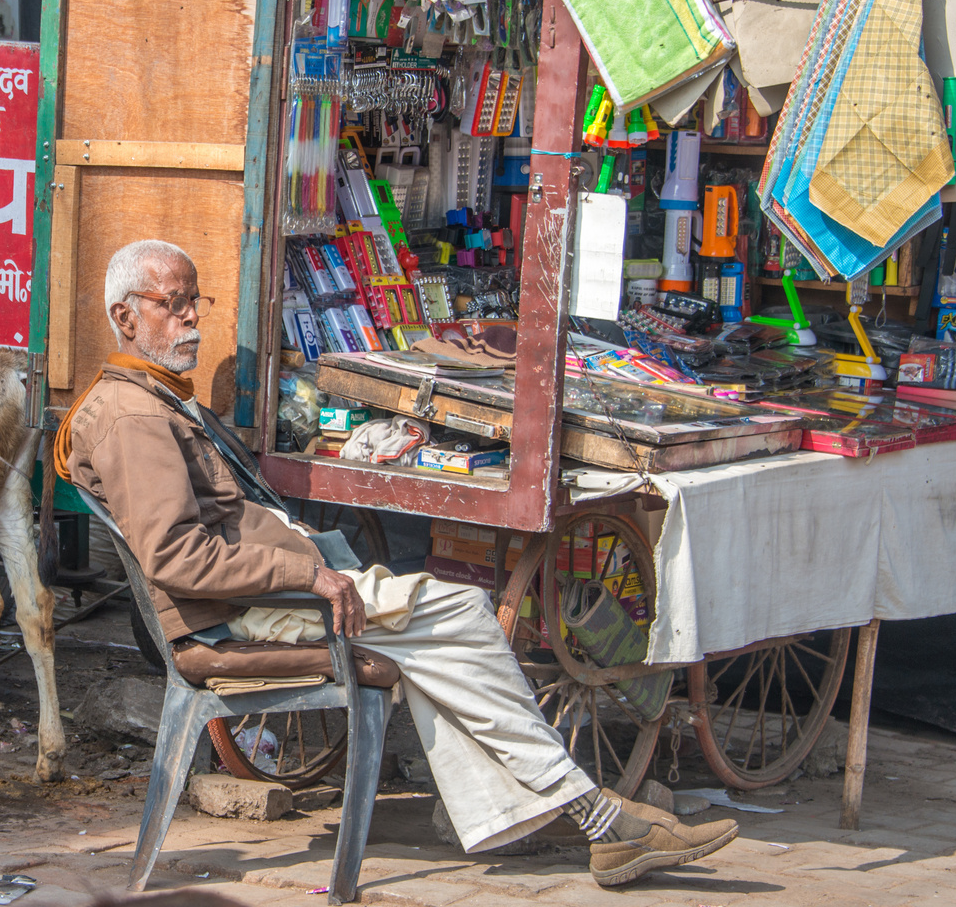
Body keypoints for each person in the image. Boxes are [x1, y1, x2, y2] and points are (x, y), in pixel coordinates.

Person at [58, 239, 739, 888]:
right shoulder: (131, 415)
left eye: (193, 302)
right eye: (171, 302)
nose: (189, 318)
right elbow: (178, 556)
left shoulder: (151, 398)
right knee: (461, 615)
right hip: (250, 614)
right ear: (125, 316)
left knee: (448, 637)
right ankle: (596, 817)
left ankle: (557, 816)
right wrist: (309, 575)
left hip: (273, 596)